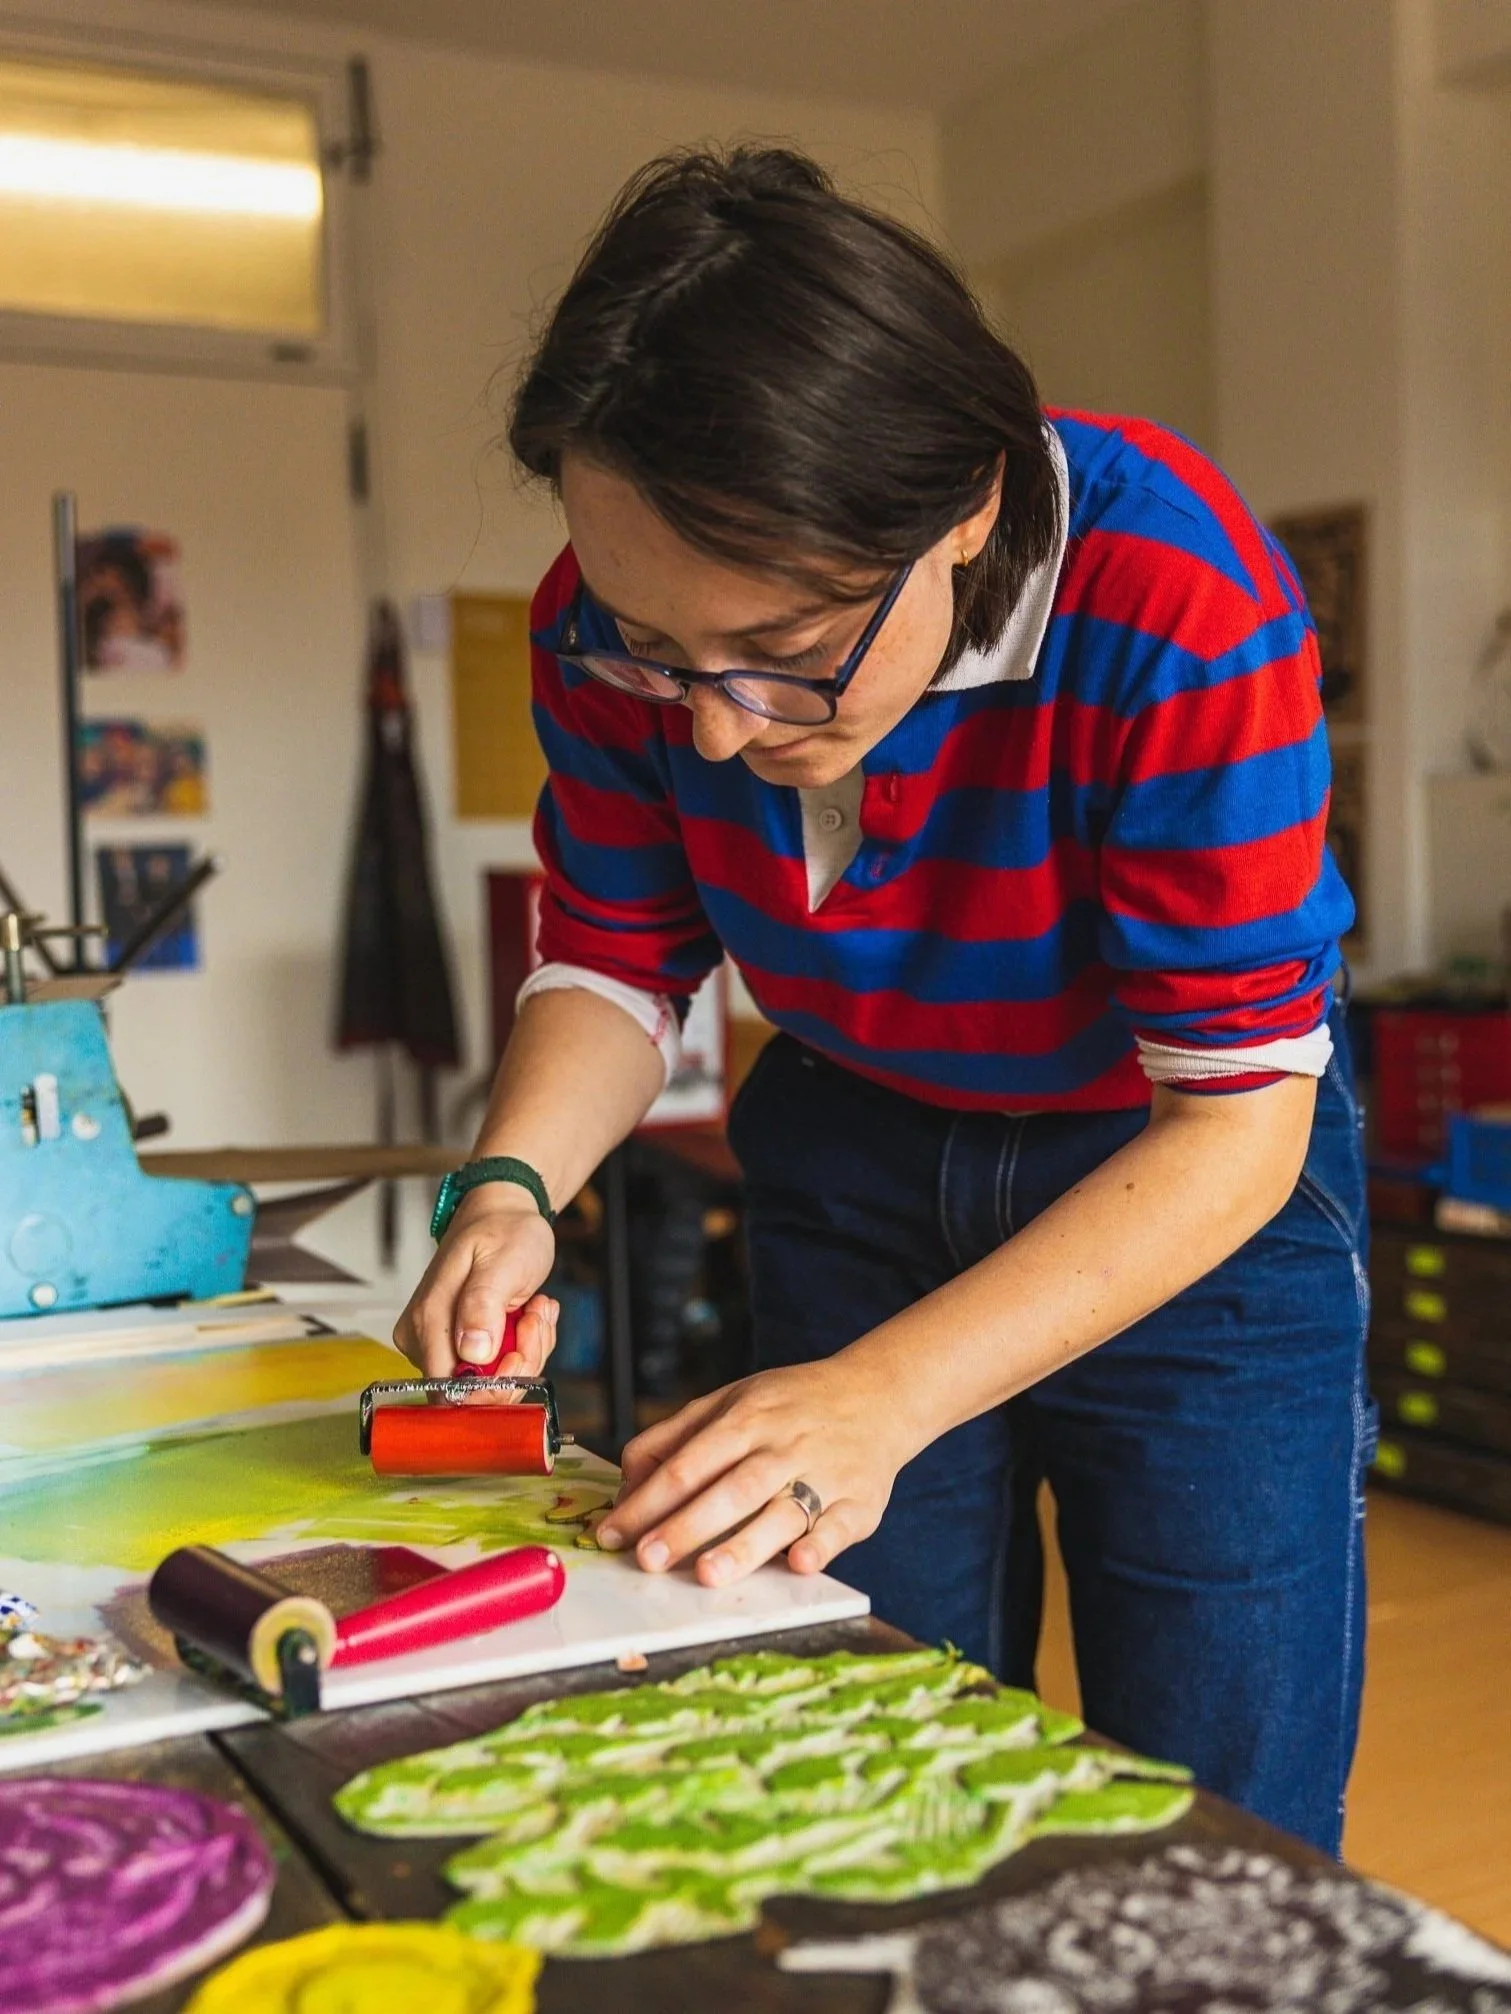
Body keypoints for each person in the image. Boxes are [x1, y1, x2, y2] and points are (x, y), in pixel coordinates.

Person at [397, 148, 1369, 1855]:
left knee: (1224, 1790)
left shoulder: (1175, 595)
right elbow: (619, 950)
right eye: (652, 647)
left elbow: (1235, 1117)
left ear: (967, 513)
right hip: (853, 1139)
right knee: (868, 1732)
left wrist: (887, 1395)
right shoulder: (614, 628)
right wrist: (509, 1185)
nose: (707, 725)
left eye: (781, 646)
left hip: (1174, 1175)